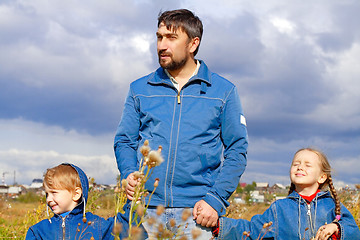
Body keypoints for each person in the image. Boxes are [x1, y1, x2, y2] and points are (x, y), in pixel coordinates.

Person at [114, 8, 248, 239]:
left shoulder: (223, 91)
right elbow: (124, 140)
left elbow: (237, 150)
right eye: (159, 37)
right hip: (144, 210)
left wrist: (215, 200)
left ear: (193, 44)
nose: (161, 45)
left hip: (197, 213)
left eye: (171, 38)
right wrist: (129, 173)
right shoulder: (139, 89)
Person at [211, 148, 360, 240]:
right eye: (296, 164)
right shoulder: (280, 208)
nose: (300, 167)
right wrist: (220, 225)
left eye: (307, 165)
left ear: (322, 177)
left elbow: (354, 232)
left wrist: (336, 228)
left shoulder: (332, 206)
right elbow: (253, 230)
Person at [25, 163, 133, 240]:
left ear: (76, 194)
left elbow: (127, 225)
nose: (48, 199)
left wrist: (134, 198)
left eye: (54, 193)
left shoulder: (97, 226)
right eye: (47, 194)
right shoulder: (38, 231)